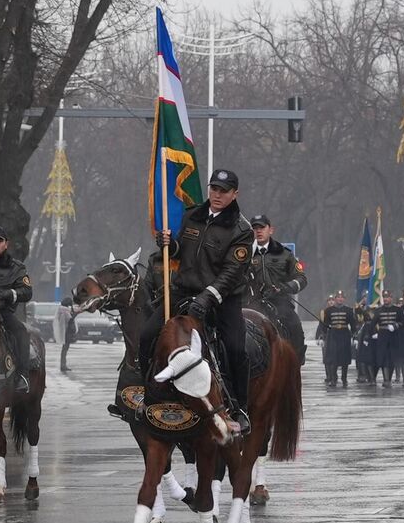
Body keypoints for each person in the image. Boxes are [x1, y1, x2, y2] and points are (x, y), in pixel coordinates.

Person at [150, 168, 254, 434]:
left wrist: (207, 297)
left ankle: (240, 407)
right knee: (146, 334)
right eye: (214, 189)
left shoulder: (242, 229)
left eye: (224, 191)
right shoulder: (191, 215)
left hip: (222, 298)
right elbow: (179, 253)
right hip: (184, 291)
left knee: (234, 348)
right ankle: (148, 393)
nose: (217, 195)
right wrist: (167, 244)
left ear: (235, 194)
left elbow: (232, 273)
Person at [246, 215, 307, 365]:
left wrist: (285, 287)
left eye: (262, 228)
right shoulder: (243, 253)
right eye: (254, 228)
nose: (258, 231)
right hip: (250, 303)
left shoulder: (284, 253)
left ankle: (296, 363)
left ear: (270, 230)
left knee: (295, 326)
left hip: (279, 302)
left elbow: (301, 279)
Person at [0, 226, 35, 394]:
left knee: (20, 332)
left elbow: (27, 292)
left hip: (2, 312)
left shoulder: (16, 267)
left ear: (6, 244)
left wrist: (7, 294)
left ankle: (22, 376)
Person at [315, 292, 355, 386]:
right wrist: (322, 336)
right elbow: (325, 324)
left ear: (344, 299)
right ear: (335, 299)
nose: (340, 299)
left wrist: (354, 336)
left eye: (342, 297)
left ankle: (344, 378)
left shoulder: (349, 310)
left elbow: (353, 324)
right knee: (333, 358)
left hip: (345, 334)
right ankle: (334, 378)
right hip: (333, 335)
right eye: (338, 297)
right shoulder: (328, 311)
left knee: (345, 358)